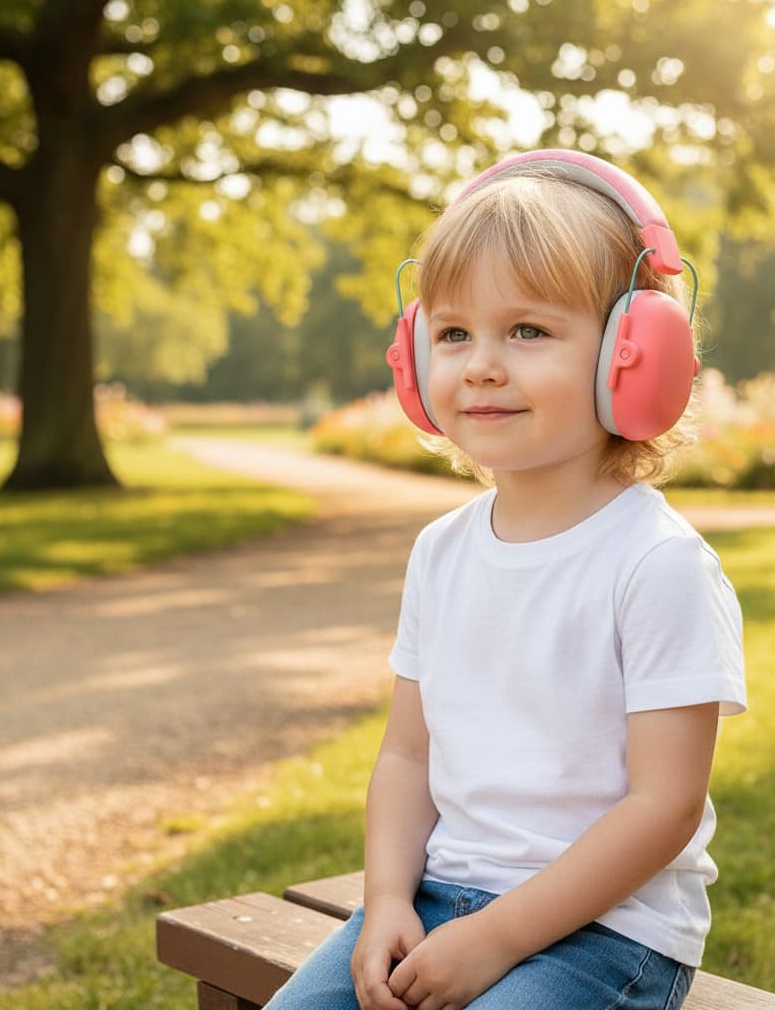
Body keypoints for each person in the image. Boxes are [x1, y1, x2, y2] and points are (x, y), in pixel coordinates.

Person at [264, 150, 746, 1010]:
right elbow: (408, 754)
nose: (481, 364)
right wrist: (383, 903)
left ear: (633, 357)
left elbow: (664, 807)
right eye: (453, 333)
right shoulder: (440, 552)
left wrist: (495, 938)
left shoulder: (657, 564)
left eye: (527, 331)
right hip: (440, 893)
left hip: (605, 931)